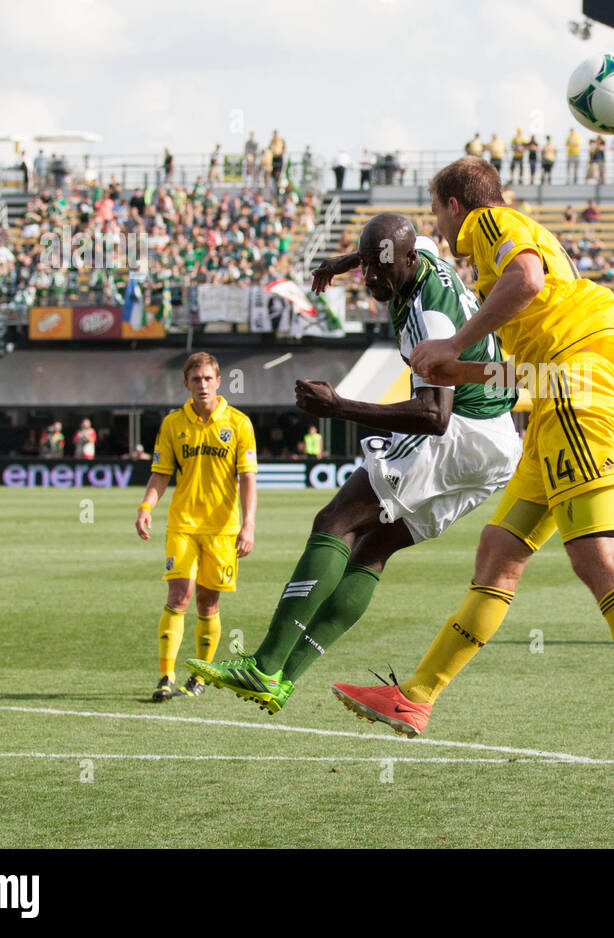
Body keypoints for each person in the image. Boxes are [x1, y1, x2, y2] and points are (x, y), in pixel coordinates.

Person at [331, 157, 614, 788]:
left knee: (597, 559)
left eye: (436, 213)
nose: (440, 234)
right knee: (499, 550)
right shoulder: (516, 258)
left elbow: (526, 281)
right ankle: (417, 695)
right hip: (558, 392)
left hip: (578, 396)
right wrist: (463, 370)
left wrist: (452, 344)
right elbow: (534, 369)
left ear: (453, 206)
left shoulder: (489, 223)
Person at [187, 217, 521, 715]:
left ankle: (264, 664)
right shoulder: (421, 253)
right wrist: (343, 264)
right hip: (498, 443)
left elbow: (433, 415)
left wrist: (339, 406)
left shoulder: (431, 316)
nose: (371, 281)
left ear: (408, 262)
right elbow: (397, 244)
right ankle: (281, 679)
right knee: (372, 549)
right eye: (367, 267)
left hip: (459, 431)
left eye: (380, 270)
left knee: (335, 521)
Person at [134, 353, 258, 702]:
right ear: (185, 384)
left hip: (222, 530)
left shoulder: (238, 423)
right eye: (196, 379)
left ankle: (200, 675)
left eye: (208, 379)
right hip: (182, 525)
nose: (202, 385)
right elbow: (161, 474)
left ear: (218, 382)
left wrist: (248, 526)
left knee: (207, 603)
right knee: (178, 596)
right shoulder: (173, 424)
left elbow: (248, 479)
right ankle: (165, 676)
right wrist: (146, 507)